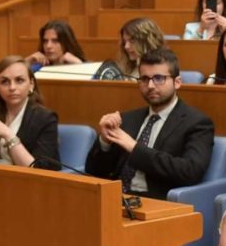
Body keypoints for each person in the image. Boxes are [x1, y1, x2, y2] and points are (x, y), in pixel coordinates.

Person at [85, 48, 214, 199]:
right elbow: (93, 171)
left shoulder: (197, 123)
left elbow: (190, 171)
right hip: (114, 199)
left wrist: (134, 148)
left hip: (157, 202)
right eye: (145, 79)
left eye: (159, 78)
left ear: (177, 82)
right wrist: (104, 141)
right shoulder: (127, 119)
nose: (151, 85)